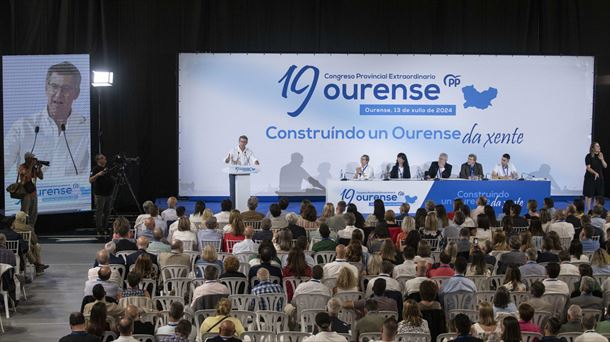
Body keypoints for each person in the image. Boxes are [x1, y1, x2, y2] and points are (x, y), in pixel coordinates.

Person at [89, 154, 114, 235]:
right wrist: (98, 174)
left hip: (108, 194)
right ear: (98, 160)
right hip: (99, 194)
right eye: (102, 158)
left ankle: (105, 227)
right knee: (99, 211)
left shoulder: (107, 169)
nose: (105, 159)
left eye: (104, 157)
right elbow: (90, 180)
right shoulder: (95, 169)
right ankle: (99, 228)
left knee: (107, 211)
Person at [583, 142, 606, 212]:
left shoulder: (600, 155)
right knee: (589, 195)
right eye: (597, 146)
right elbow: (588, 168)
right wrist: (595, 173)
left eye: (599, 146)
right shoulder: (588, 156)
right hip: (590, 178)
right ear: (592, 148)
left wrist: (602, 159)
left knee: (598, 195)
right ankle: (589, 211)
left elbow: (605, 166)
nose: (599, 147)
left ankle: (596, 211)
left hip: (599, 178)